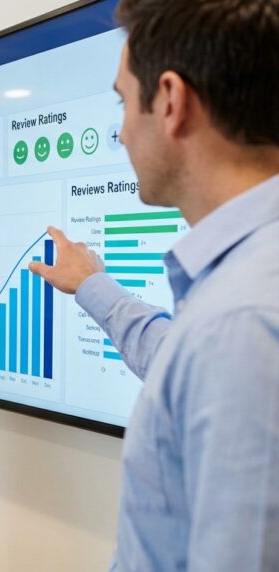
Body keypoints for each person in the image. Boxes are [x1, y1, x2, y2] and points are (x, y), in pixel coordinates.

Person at [28, 1, 279, 570]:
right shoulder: (240, 294)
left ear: (170, 100)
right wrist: (95, 287)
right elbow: (185, 363)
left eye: (122, 101)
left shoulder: (244, 322)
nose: (118, 133)